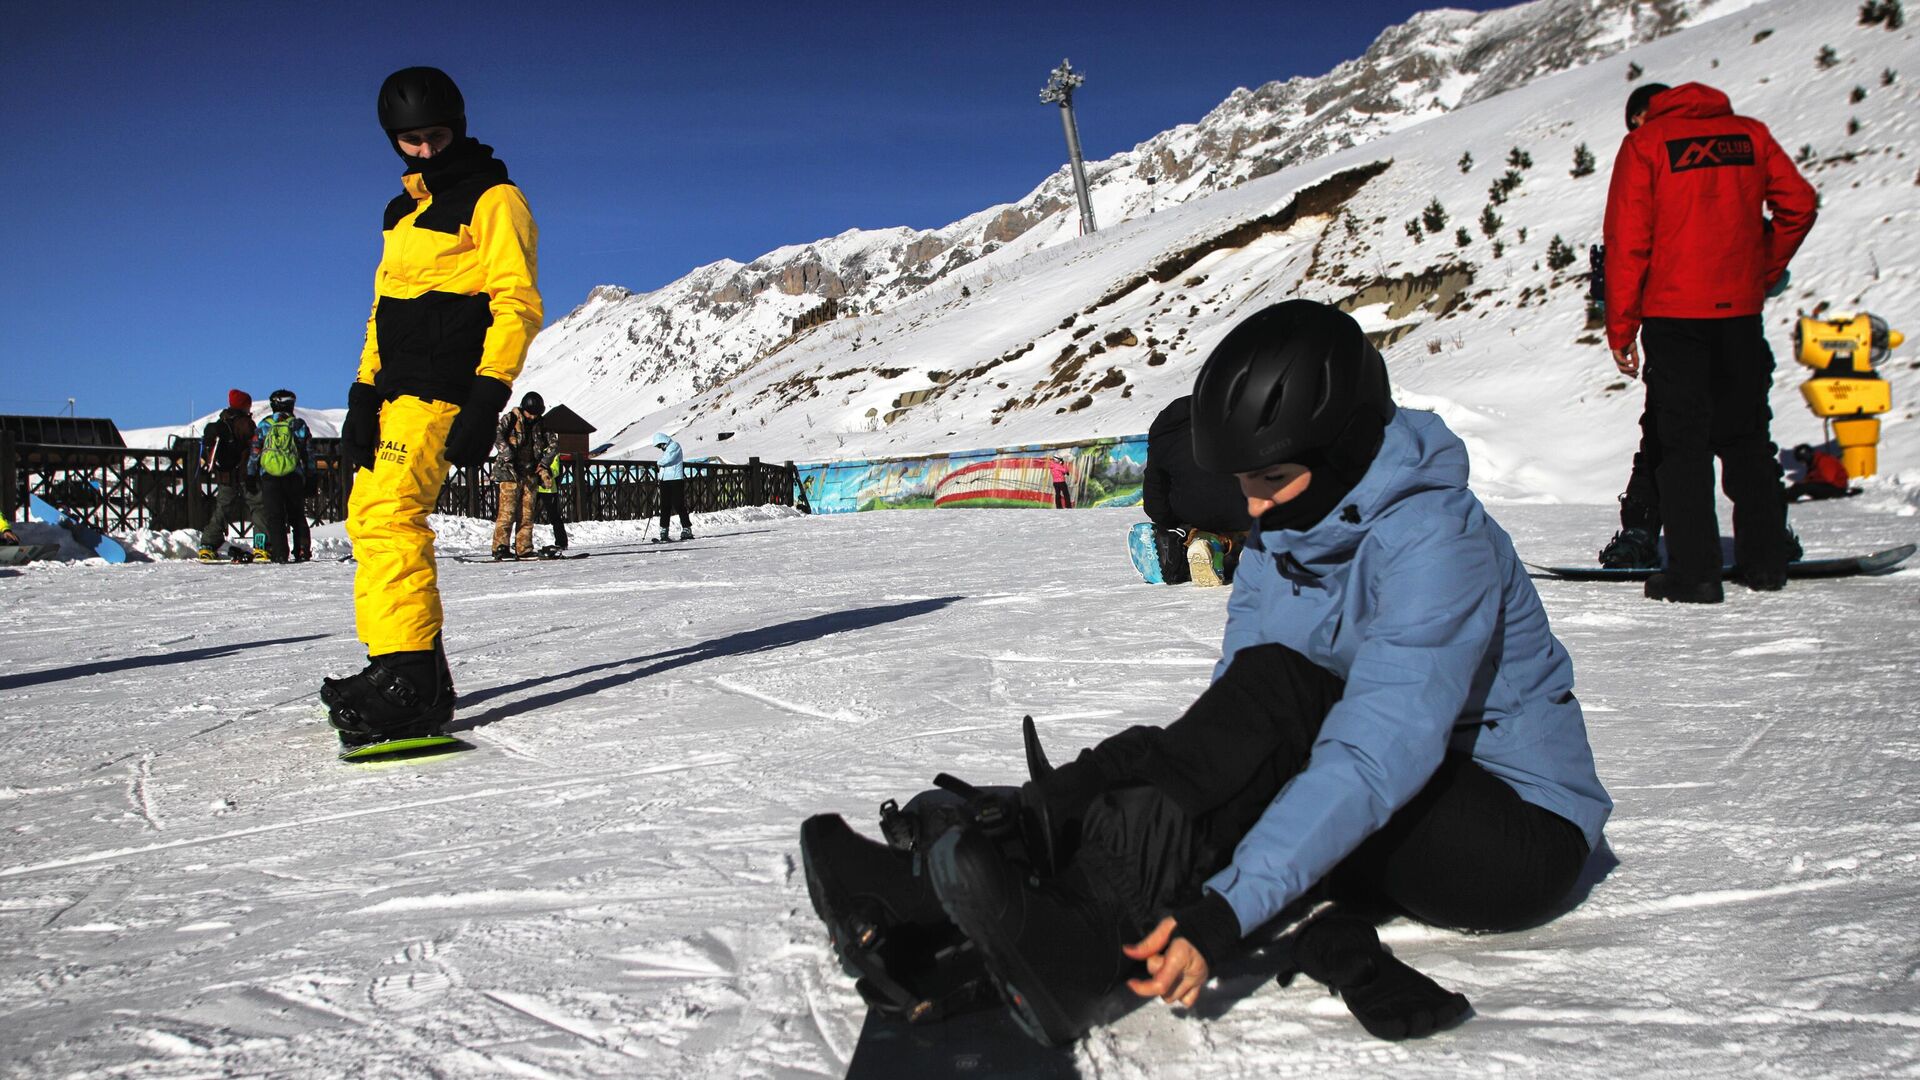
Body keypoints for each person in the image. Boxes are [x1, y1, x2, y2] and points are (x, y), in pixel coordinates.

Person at [801, 301, 1611, 1047]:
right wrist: (1088, 812)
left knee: (1286, 702)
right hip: (1388, 793)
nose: (1253, 511)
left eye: (1272, 481)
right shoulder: (1282, 539)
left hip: (1511, 835)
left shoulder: (1437, 541)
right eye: (1244, 486)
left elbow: (1373, 753)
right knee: (1185, 745)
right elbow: (1226, 740)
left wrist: (1224, 912)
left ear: (1347, 451)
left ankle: (1082, 941)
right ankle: (939, 884)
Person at [321, 66, 542, 748]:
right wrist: (361, 397)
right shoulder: (402, 214)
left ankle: (408, 682)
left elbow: (517, 305)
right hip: (394, 392)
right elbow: (381, 314)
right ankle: (408, 665)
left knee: (391, 516)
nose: (424, 150)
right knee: (369, 517)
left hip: (445, 388)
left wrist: (487, 397)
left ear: (460, 126)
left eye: (436, 135)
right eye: (410, 140)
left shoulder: (494, 199)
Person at [1603, 80, 1817, 601]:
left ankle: (1694, 572)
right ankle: (1765, 562)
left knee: (1681, 445)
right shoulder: (1750, 135)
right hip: (1740, 315)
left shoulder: (1647, 144)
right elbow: (1800, 204)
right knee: (1747, 437)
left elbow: (1628, 241)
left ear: (1644, 113)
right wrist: (1761, 271)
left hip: (1675, 316)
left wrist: (1622, 327)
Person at [1143, 395, 1253, 586]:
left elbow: (1155, 494)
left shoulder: (1162, 430)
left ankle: (1205, 543)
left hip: (1193, 510)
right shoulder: (1244, 417)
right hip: (1247, 506)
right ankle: (1251, 548)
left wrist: (1173, 525)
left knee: (1202, 519)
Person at [194, 390, 267, 562]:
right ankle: (261, 546)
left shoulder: (220, 423)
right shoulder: (245, 424)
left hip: (224, 476)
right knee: (258, 507)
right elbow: (255, 447)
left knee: (222, 509)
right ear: (244, 405)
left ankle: (208, 545)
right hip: (245, 474)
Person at [248, 389, 317, 562]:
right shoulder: (299, 425)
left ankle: (279, 553)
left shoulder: (264, 425)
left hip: (269, 477)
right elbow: (309, 454)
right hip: (294, 476)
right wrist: (311, 477)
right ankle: (302, 550)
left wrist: (250, 474)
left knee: (275, 516)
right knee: (297, 514)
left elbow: (255, 453)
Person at [491, 391, 551, 560]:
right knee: (507, 512)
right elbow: (496, 434)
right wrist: (507, 453)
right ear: (524, 409)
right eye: (530, 413)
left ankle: (524, 547)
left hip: (530, 474)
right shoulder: (510, 419)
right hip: (509, 472)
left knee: (527, 513)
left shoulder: (542, 424)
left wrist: (544, 463)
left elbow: (553, 444)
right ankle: (500, 547)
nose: (532, 417)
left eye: (536, 414)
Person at [653, 432, 692, 541]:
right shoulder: (666, 450)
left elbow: (668, 460)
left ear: (663, 441)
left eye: (659, 445)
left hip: (675, 479)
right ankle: (664, 529)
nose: (660, 447)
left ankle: (686, 528)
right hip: (665, 480)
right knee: (665, 506)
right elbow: (664, 464)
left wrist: (658, 463)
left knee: (678, 504)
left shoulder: (675, 446)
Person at [1785, 443, 1855, 503]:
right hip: (1831, 487)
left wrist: (1810, 479)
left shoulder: (1824, 460)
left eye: (1803, 461)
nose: (1803, 464)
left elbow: (1828, 479)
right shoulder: (1814, 462)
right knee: (1799, 486)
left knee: (1805, 486)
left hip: (1837, 489)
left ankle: (1788, 499)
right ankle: (1785, 495)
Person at [535, 444, 569, 554]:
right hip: (535, 487)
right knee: (527, 515)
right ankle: (522, 541)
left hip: (549, 489)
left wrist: (545, 473)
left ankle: (562, 542)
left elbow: (556, 470)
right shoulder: (534, 449)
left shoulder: (552, 452)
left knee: (554, 516)